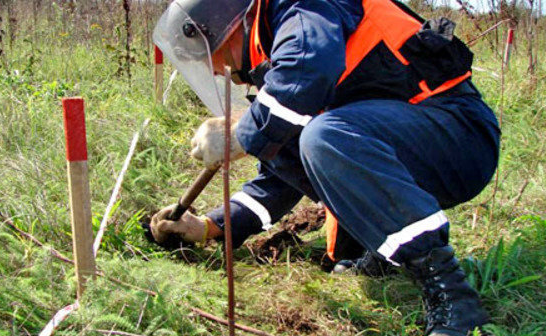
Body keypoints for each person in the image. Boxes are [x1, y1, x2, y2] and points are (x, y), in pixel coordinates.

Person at [150, 0, 500, 335]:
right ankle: (385, 252)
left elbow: (309, 70)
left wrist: (240, 133)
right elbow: (280, 173)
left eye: (214, 53)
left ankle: (452, 295)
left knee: (323, 135)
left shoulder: (305, 8)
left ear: (234, 25)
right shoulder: (274, 51)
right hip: (408, 145)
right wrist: (210, 226)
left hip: (459, 137)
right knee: (295, 137)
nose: (214, 69)